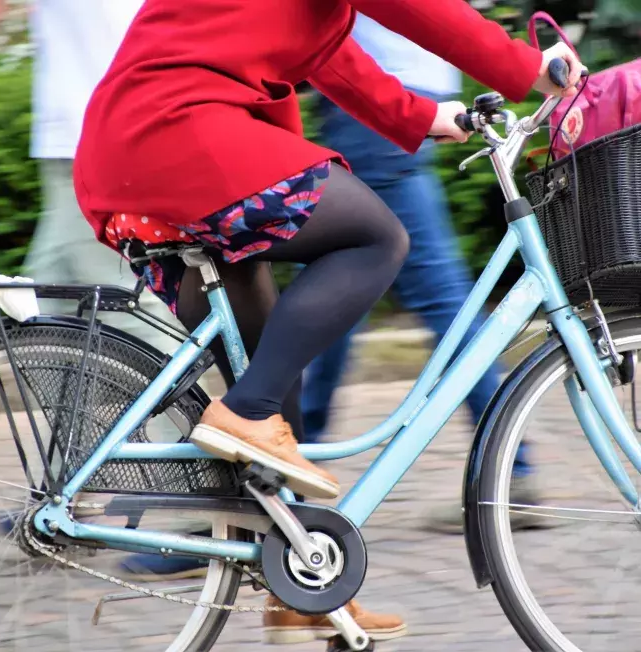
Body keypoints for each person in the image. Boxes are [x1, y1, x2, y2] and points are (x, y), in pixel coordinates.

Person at [74, 0, 580, 639]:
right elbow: (417, 9)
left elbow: (330, 53)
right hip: (176, 136)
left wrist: (427, 117)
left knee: (279, 375)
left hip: (149, 145)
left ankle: (301, 584)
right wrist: (526, 67)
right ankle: (247, 413)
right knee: (374, 240)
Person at [299, 15, 539, 534]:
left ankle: (510, 470)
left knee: (411, 299)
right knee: (345, 294)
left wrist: (527, 68)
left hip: (375, 106)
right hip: (404, 103)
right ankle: (297, 460)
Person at [0, 0, 179, 352]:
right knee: (48, 308)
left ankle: (184, 404)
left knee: (120, 305)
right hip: (81, 140)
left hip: (98, 137)